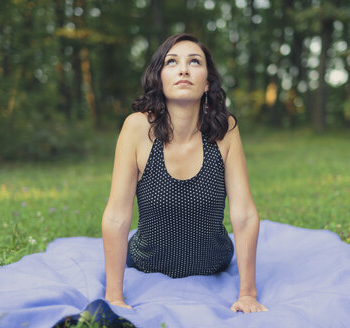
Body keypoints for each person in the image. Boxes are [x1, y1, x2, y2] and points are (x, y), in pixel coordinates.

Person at [101, 33, 268, 314]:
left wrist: (248, 294)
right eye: (172, 62)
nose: (183, 69)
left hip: (213, 262)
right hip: (146, 260)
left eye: (194, 62)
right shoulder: (136, 128)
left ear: (206, 83)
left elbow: (245, 214)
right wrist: (114, 297)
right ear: (159, 78)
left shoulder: (225, 129)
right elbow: (117, 215)